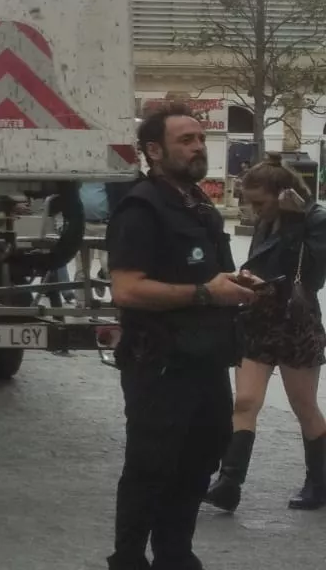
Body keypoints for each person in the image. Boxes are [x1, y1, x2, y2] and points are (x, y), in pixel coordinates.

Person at [105, 104, 255, 570]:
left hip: (205, 361)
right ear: (154, 150)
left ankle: (175, 554)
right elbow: (126, 288)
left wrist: (240, 283)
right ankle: (128, 558)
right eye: (185, 140)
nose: (196, 147)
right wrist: (206, 294)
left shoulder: (199, 204)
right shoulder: (142, 207)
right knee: (151, 467)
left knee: (199, 460)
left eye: (199, 139)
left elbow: (210, 277)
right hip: (159, 364)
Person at [204, 156, 326, 512]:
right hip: (260, 318)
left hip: (296, 323)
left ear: (283, 193)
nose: (253, 210)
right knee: (245, 402)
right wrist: (247, 278)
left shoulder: (314, 219)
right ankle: (229, 482)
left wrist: (293, 221)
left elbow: (313, 276)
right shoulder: (266, 220)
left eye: (259, 202)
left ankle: (319, 484)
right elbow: (262, 264)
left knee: (303, 406)